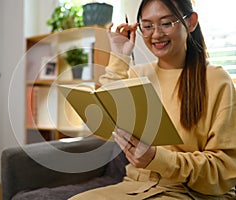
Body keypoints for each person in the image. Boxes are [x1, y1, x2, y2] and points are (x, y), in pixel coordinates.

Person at [70, 0, 236, 199]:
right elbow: (106, 123)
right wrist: (119, 56)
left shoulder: (216, 80)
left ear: (191, 23)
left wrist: (156, 159)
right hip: (134, 187)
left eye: (166, 23)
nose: (156, 34)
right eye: (147, 26)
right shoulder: (138, 75)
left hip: (189, 192)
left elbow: (223, 169)